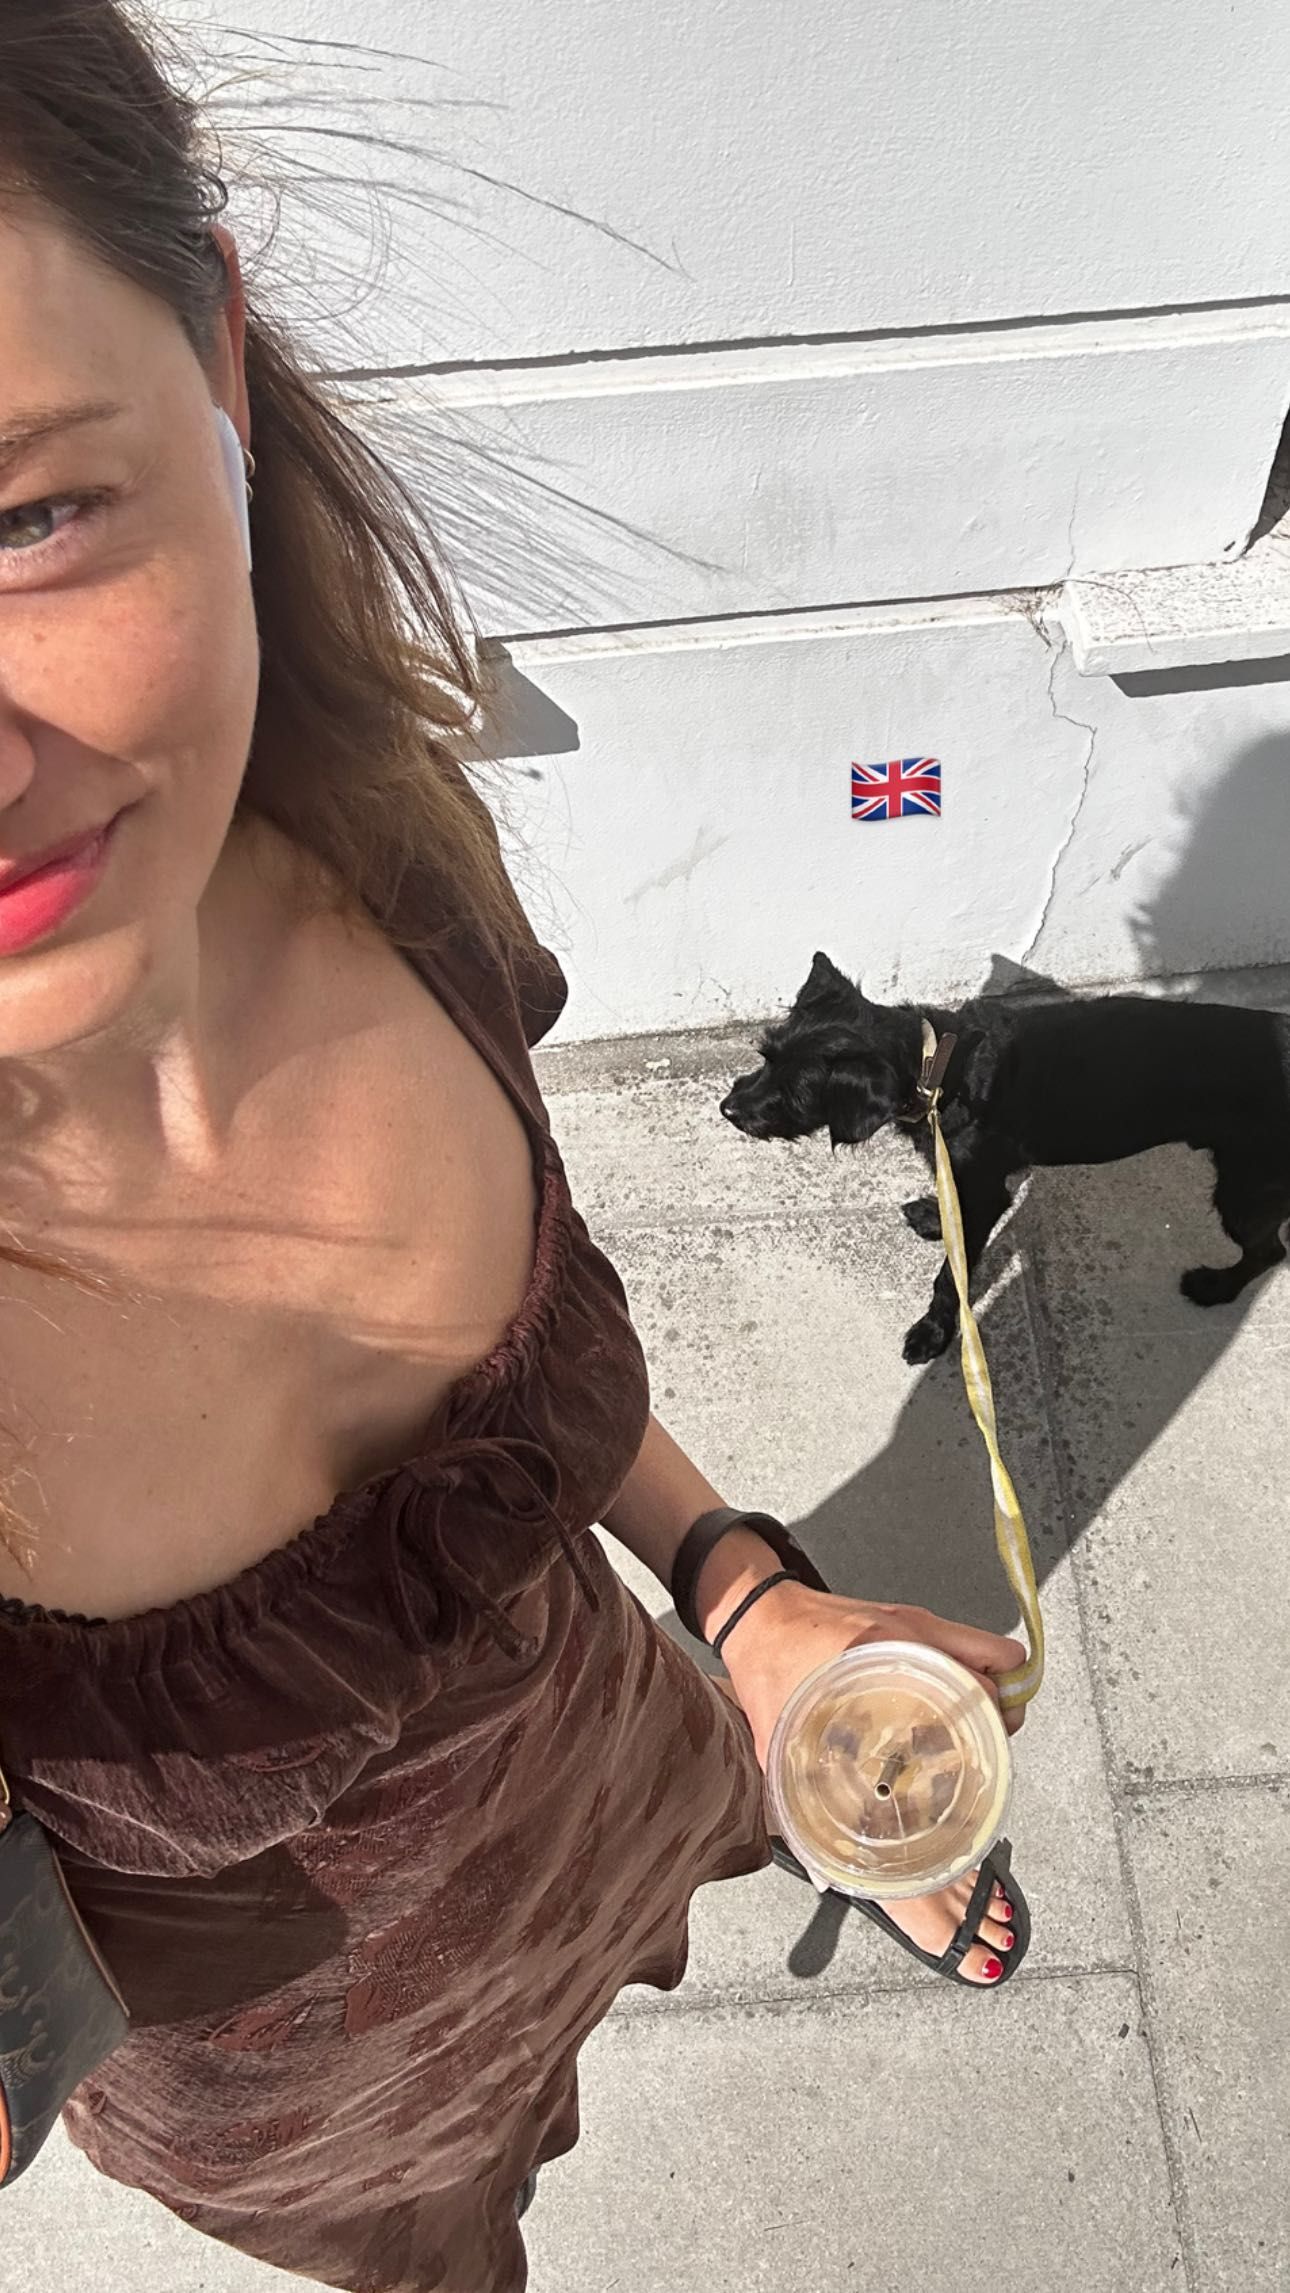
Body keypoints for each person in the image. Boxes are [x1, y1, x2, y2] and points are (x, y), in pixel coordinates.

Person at [0, 8, 1028, 2289]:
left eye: (25, 515)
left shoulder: (373, 853)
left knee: (722, 1824)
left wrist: (742, 1597)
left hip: (615, 1765)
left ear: (218, 363)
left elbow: (532, 1410)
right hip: (313, 2098)